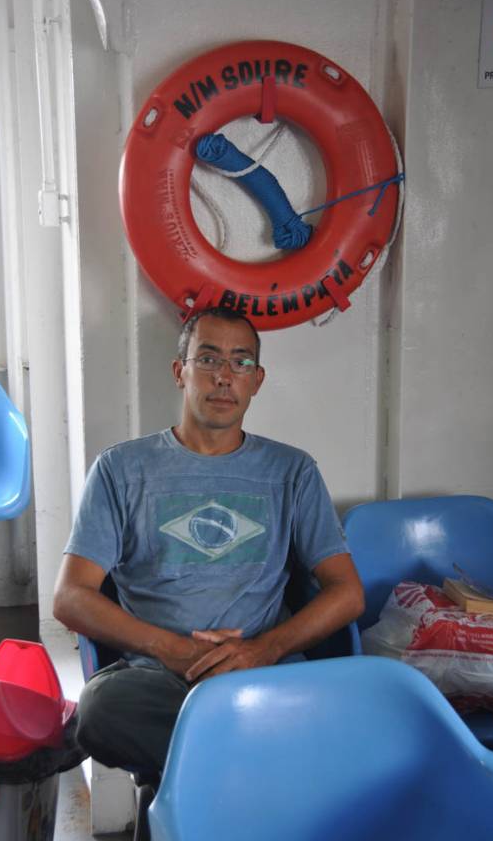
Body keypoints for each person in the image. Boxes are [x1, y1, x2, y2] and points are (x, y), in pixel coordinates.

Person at [53, 307, 364, 775]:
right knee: (101, 710)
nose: (224, 377)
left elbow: (348, 592)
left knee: (363, 709)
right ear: (180, 372)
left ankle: (209, 778)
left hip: (266, 674)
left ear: (256, 381)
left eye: (241, 362)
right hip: (159, 680)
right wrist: (171, 649)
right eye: (209, 359)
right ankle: (255, 772)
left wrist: (265, 649)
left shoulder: (292, 471)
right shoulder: (121, 470)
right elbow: (70, 598)